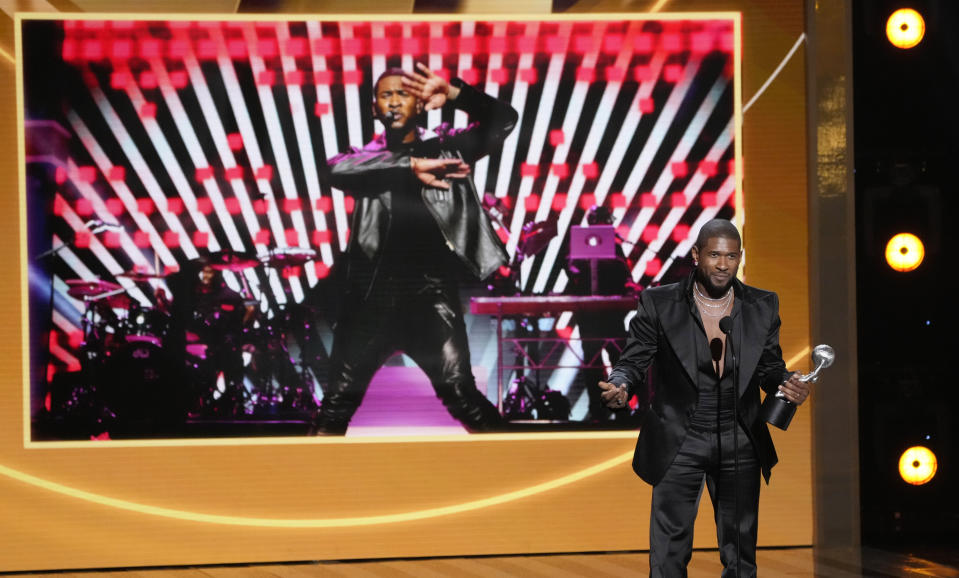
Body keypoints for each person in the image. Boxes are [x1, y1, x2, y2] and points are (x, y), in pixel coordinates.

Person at [598, 219, 810, 577]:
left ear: (740, 257)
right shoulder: (659, 302)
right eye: (714, 255)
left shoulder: (762, 305)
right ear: (696, 255)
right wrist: (620, 384)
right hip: (680, 438)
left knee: (741, 551)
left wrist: (787, 382)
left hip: (740, 436)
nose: (723, 265)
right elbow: (634, 361)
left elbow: (769, 367)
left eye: (731, 256)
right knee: (668, 552)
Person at [312, 63, 517, 434]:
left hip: (430, 295)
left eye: (402, 94)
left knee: (461, 394)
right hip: (369, 298)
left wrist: (457, 95)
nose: (393, 102)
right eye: (385, 95)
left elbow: (504, 120)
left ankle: (523, 472)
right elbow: (333, 170)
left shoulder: (448, 146)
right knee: (337, 404)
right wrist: (411, 165)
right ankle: (303, 488)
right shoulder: (361, 159)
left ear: (420, 103)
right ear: (374, 108)